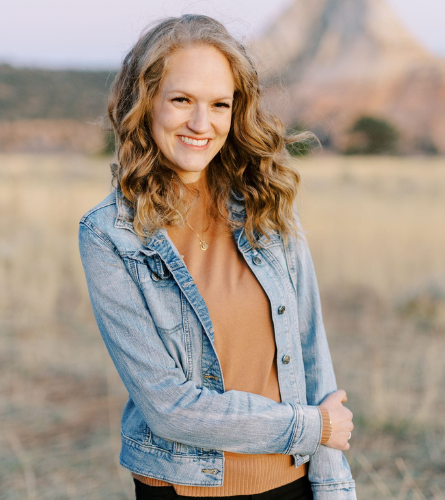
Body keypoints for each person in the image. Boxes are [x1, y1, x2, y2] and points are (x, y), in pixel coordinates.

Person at [79, 14, 356, 500]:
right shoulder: (109, 235)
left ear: (237, 110)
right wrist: (311, 428)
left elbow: (315, 361)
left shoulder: (265, 205)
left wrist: (333, 485)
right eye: (181, 100)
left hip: (290, 482)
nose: (201, 124)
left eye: (219, 104)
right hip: (185, 488)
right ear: (145, 105)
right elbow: (170, 407)